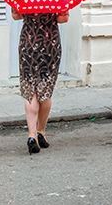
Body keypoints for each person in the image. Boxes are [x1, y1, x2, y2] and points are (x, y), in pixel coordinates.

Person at [12, 9, 69, 155]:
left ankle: (32, 136)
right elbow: (63, 19)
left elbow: (16, 16)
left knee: (31, 91)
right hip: (50, 45)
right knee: (45, 90)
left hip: (28, 45)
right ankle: (41, 132)